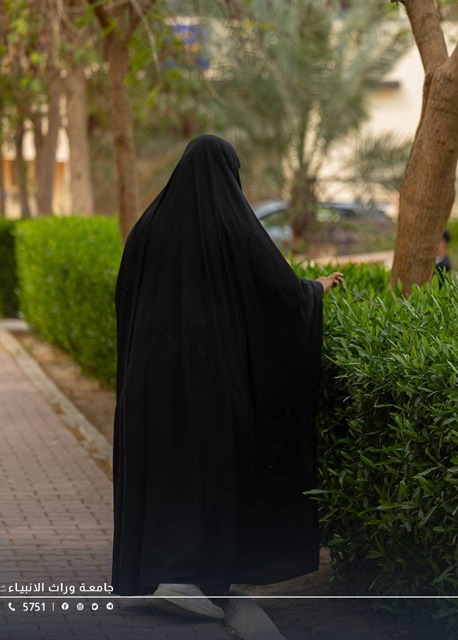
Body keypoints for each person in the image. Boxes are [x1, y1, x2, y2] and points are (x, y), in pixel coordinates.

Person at [111, 135, 343, 620]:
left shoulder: (146, 227)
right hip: (210, 382)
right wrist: (314, 291)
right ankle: (186, 577)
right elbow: (277, 291)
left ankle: (164, 573)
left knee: (162, 470)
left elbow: (125, 301)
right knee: (205, 471)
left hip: (147, 386)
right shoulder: (229, 223)